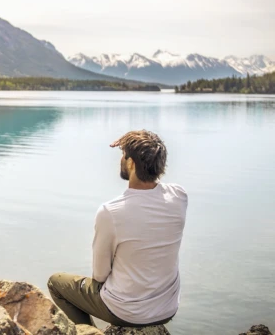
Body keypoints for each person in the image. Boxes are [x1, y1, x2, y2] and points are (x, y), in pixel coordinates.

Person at [48, 130, 188, 327]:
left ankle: (88, 332)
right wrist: (140, 146)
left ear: (131, 163)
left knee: (56, 283)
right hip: (167, 308)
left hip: (128, 313)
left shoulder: (111, 212)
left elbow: (100, 275)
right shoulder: (179, 197)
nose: (120, 160)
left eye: (124, 155)